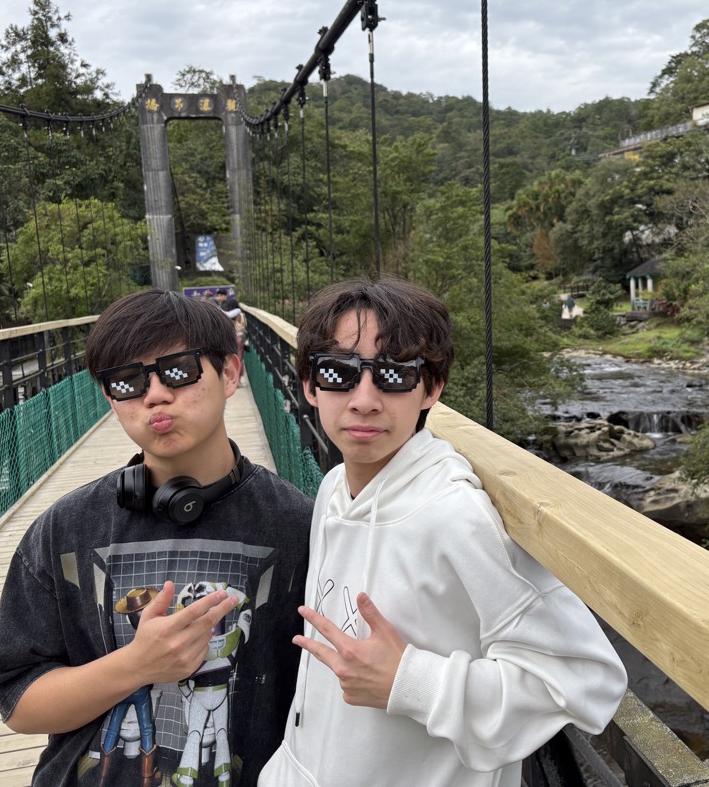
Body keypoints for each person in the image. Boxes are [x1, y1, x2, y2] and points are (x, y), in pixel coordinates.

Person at [258, 276, 627, 787]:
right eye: (338, 372)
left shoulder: (455, 516)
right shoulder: (335, 486)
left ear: (431, 388)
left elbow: (585, 680)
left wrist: (410, 681)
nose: (364, 399)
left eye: (393, 374)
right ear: (309, 385)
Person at [0, 289, 315, 787]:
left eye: (178, 371)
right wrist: (137, 666)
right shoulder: (64, 529)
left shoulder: (296, 526)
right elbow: (19, 705)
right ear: (109, 399)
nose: (155, 395)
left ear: (230, 373)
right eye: (128, 382)